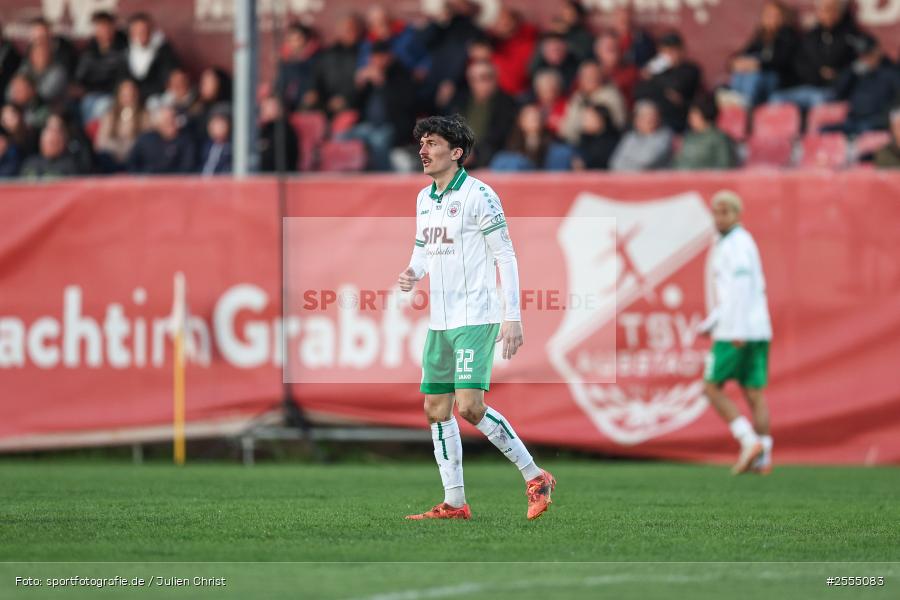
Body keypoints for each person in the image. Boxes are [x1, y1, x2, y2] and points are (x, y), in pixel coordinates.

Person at [399, 114, 556, 521]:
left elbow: (506, 255)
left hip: (476, 316)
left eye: (432, 143)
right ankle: (454, 502)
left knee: (469, 407)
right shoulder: (423, 199)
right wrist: (412, 273)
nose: (423, 151)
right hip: (440, 321)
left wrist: (513, 317)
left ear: (456, 152)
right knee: (436, 408)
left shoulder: (480, 195)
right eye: (422, 144)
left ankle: (535, 475)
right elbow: (423, 250)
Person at [699, 190, 773, 475]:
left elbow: (740, 290)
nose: (719, 217)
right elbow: (733, 294)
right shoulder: (736, 242)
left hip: (736, 330)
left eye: (725, 211)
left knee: (711, 387)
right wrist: (710, 322)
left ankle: (749, 441)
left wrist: (736, 327)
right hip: (757, 328)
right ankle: (764, 458)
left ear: (737, 214)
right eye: (716, 211)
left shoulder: (736, 244)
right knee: (754, 392)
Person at [769, 0, 862, 109]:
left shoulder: (850, 35)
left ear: (839, 12)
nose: (826, 13)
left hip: (831, 90)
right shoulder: (811, 36)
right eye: (822, 9)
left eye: (830, 9)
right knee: (776, 98)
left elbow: (852, 65)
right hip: (807, 86)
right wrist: (819, 74)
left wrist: (835, 75)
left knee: (819, 99)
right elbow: (801, 63)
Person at [442, 60, 517, 168]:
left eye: (485, 78)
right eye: (474, 79)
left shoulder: (506, 103)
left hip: (491, 158)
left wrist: (475, 153)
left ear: (495, 79)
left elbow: (499, 137)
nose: (481, 83)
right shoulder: (460, 101)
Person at [728, 0, 798, 106]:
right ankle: (736, 101)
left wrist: (758, 65)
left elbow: (780, 62)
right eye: (767, 15)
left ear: (782, 18)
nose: (769, 18)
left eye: (774, 15)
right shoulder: (761, 36)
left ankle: (745, 105)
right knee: (744, 65)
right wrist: (736, 63)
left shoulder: (787, 35)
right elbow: (745, 53)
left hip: (778, 81)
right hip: (760, 76)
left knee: (754, 74)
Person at [634, 31, 701, 132]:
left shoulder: (691, 70)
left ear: (681, 51)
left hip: (676, 121)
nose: (667, 56)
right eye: (664, 52)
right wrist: (665, 91)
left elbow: (677, 85)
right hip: (652, 120)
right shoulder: (658, 70)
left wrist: (653, 77)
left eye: (671, 52)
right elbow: (639, 91)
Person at [832, 36, 900, 134]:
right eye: (861, 56)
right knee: (825, 131)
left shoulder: (891, 72)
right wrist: (851, 73)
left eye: (868, 54)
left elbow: (896, 103)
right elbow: (838, 94)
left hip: (875, 123)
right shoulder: (857, 73)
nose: (864, 59)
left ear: (878, 51)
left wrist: (882, 118)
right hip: (853, 120)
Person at [75, 11, 129, 123]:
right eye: (100, 27)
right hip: (92, 94)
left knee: (102, 106)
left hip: (112, 95)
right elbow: (81, 77)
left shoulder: (123, 48)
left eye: (107, 26)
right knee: (86, 104)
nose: (104, 31)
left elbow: (122, 77)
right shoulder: (89, 50)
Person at [560, 59, 627, 143]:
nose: (590, 78)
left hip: (602, 143)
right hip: (576, 143)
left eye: (593, 75)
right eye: (586, 75)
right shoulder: (577, 97)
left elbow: (619, 123)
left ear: (601, 76)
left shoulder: (611, 95)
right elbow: (567, 126)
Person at [94, 78, 151, 171]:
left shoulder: (144, 116)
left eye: (131, 94)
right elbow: (101, 142)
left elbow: (146, 142)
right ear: (119, 95)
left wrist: (128, 151)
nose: (128, 98)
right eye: (125, 94)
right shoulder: (110, 116)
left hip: (134, 159)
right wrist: (117, 151)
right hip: (112, 159)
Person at [127, 105, 196, 174]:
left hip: (175, 182)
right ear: (158, 124)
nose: (171, 123)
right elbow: (132, 164)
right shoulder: (145, 139)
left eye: (173, 119)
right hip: (147, 181)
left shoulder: (185, 140)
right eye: (167, 121)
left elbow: (187, 168)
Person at [674, 96, 736, 170]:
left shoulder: (719, 138)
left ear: (704, 113)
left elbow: (725, 165)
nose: (689, 118)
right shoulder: (689, 137)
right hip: (681, 179)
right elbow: (677, 162)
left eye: (694, 114)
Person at [126, 13, 179, 99]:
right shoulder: (126, 50)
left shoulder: (163, 50)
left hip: (156, 95)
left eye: (144, 30)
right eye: (137, 31)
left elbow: (166, 79)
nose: (141, 34)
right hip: (131, 98)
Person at [609, 100, 672, 171]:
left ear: (658, 118)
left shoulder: (665, 135)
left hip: (654, 180)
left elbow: (646, 162)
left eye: (651, 116)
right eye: (642, 116)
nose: (648, 119)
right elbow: (615, 162)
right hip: (627, 179)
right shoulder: (630, 136)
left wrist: (628, 164)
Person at [275, 23, 320, 112]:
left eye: (298, 39)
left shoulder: (316, 60)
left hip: (310, 108)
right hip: (287, 108)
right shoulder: (284, 63)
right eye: (291, 40)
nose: (295, 43)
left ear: (306, 39)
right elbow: (279, 86)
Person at [572, 103, 619, 170]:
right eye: (584, 118)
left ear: (601, 120)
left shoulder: (611, 142)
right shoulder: (584, 139)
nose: (584, 122)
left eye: (589, 118)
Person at [199, 110, 232, 175]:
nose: (216, 128)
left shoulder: (231, 148)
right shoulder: (205, 145)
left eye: (220, 125)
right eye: (213, 125)